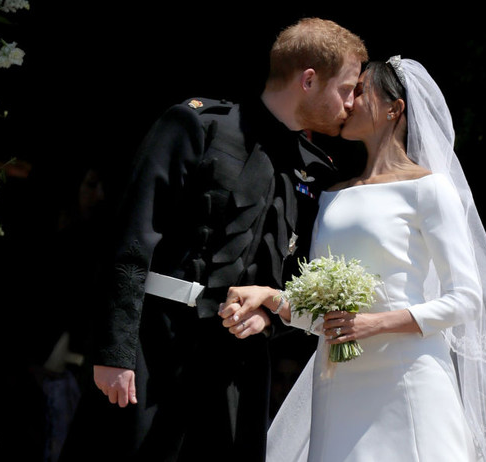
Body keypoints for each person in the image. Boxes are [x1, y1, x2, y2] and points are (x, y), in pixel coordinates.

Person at [58, 17, 368, 462]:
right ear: (309, 79)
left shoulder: (316, 170)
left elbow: (298, 276)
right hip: (155, 345)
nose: (351, 103)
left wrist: (272, 319)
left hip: (240, 367)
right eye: (346, 88)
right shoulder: (196, 125)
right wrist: (114, 352)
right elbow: (131, 240)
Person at [219, 57, 486, 461]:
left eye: (360, 91)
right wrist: (271, 297)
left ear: (395, 109)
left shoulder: (429, 189)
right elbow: (322, 316)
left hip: (409, 377)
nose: (348, 102)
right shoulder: (332, 195)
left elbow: (466, 299)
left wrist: (374, 323)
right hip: (337, 384)